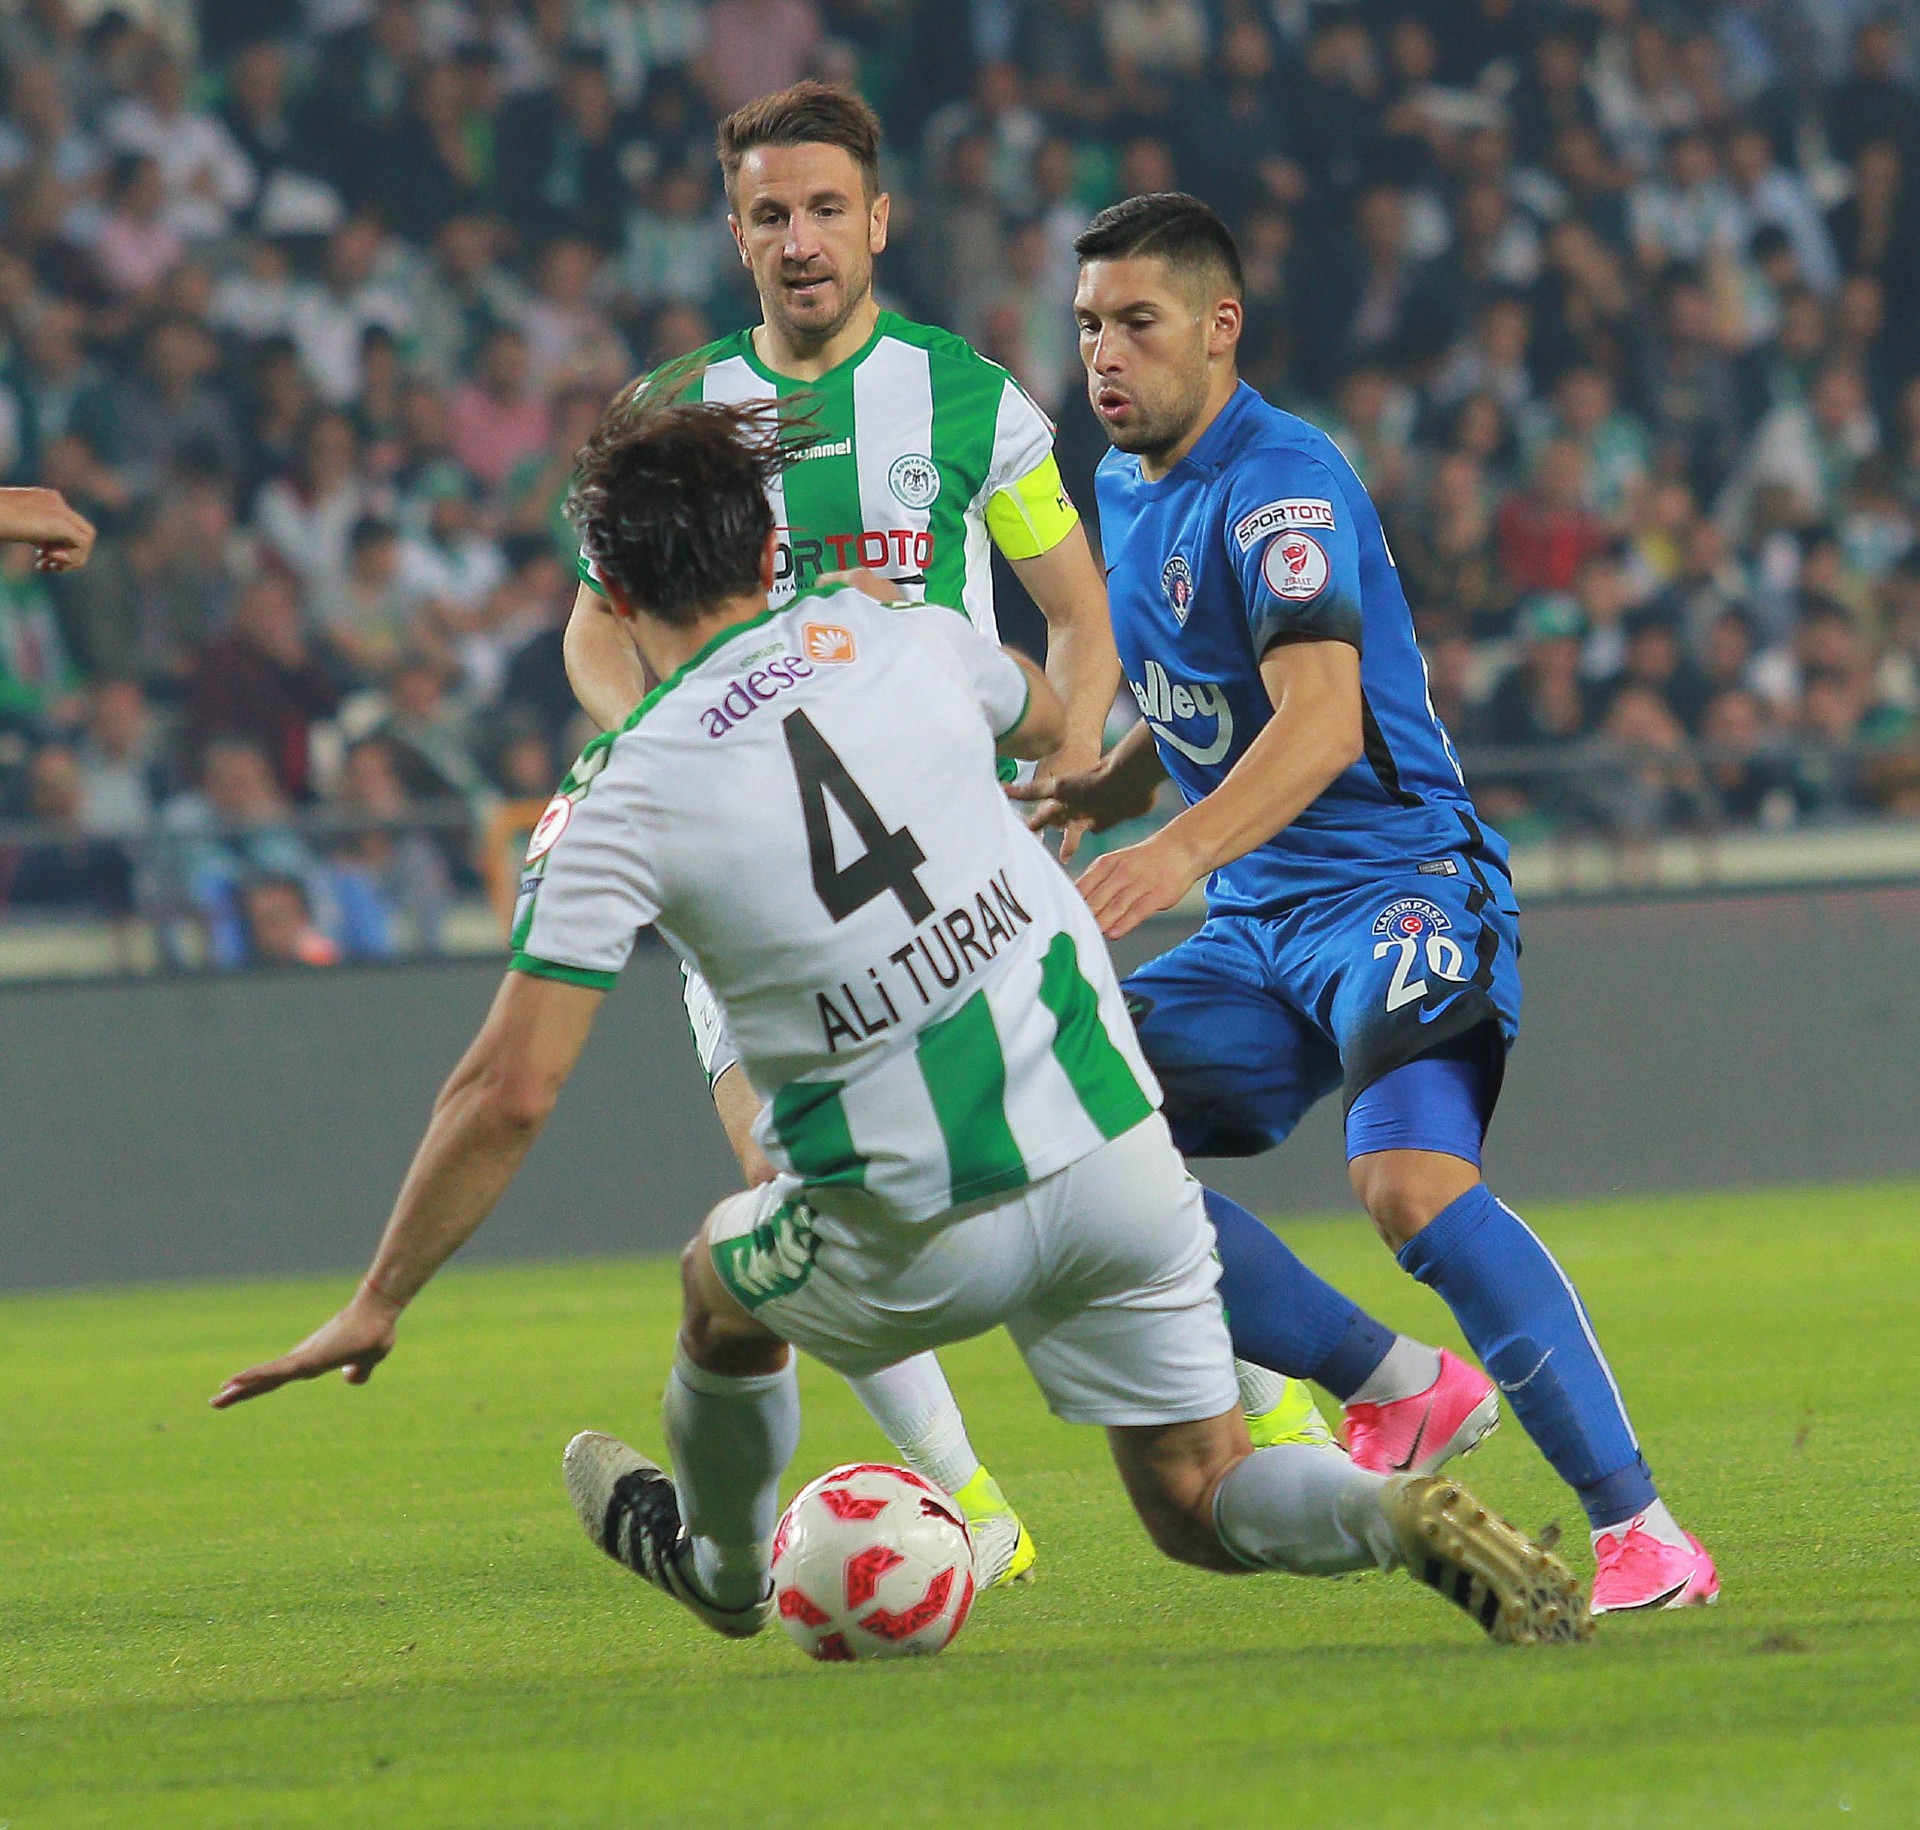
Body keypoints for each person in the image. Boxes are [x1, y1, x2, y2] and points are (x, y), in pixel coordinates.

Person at [210, 391, 1588, 1652]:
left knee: (717, 1283)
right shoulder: (899, 635)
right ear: (770, 555)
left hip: (905, 1221)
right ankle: (1388, 1512)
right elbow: (1042, 714)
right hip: (1112, 1150)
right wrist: (887, 658)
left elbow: (508, 1090)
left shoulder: (616, 798)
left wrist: (380, 1297)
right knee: (1200, 1495)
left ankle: (724, 1569)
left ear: (614, 599)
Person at [1022, 193, 1718, 1616]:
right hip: (1256, 929)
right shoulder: (1127, 483)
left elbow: (1323, 717)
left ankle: (1645, 1533)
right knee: (1049, 1125)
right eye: (1089, 325)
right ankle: (1394, 1382)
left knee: (1412, 1189)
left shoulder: (1283, 483)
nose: (1104, 353)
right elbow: (1205, 688)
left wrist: (1173, 855)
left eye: (1138, 322)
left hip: (1396, 887)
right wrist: (1115, 785)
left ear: (1219, 328)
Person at [558, 79, 1195, 1585]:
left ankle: (1246, 1410)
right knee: (790, 1181)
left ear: (879, 221)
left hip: (944, 860)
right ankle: (973, 1501)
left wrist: (1068, 781)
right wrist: (660, 750)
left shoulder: (966, 397)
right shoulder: (671, 415)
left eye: (827, 209)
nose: (802, 240)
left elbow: (1078, 616)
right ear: (735, 234)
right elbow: (594, 633)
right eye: (771, 214)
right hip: (757, 872)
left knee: (1060, 1157)